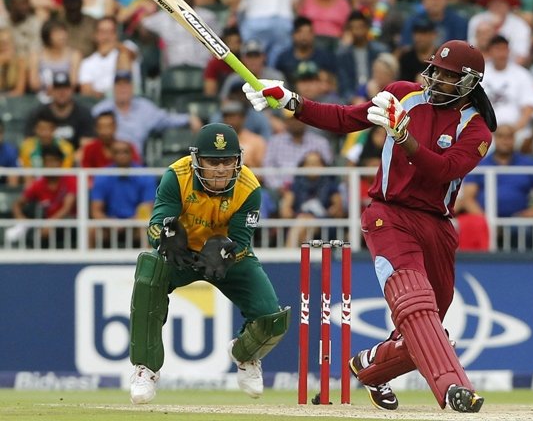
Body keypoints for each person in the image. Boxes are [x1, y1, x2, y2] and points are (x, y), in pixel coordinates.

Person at [243, 39, 497, 413]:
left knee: (424, 332)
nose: (438, 78)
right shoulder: (401, 96)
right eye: (437, 70)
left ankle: (370, 367)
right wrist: (291, 101)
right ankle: (453, 387)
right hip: (388, 215)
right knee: (414, 304)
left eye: (449, 75)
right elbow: (345, 119)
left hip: (437, 226)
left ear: (468, 83)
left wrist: (404, 137)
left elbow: (442, 170)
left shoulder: (477, 131)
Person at [128, 122, 289, 404]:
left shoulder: (249, 187)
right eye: (212, 161)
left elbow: (241, 240)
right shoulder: (176, 176)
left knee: (271, 319)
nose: (219, 169)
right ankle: (146, 368)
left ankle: (245, 355)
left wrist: (228, 251)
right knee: (149, 272)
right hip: (183, 253)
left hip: (225, 256)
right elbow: (155, 226)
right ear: (196, 160)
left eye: (227, 161)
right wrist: (165, 237)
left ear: (237, 160)